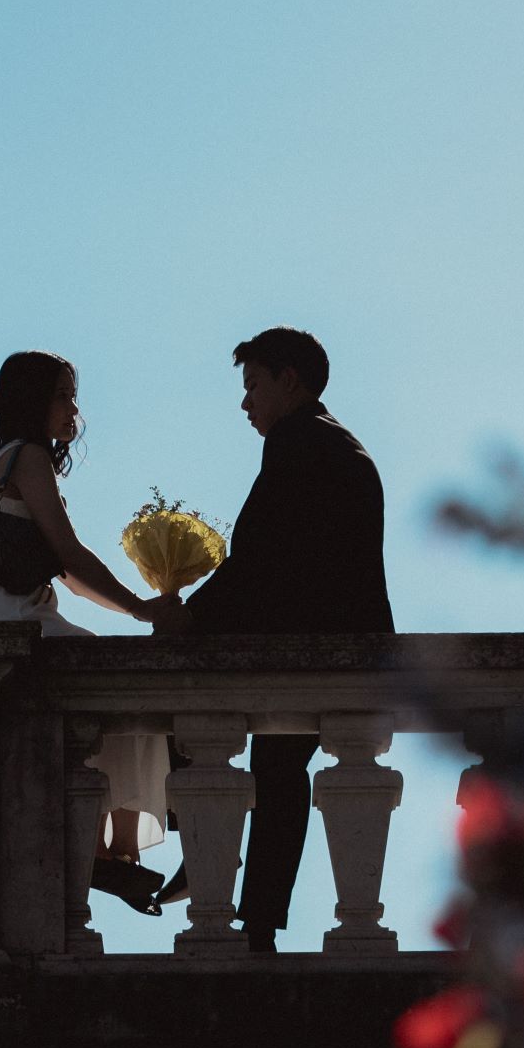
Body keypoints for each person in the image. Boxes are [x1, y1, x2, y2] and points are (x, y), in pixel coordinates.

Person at [156, 328, 394, 950]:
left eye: (253, 385)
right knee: (279, 772)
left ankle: (223, 879)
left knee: (226, 743)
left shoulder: (297, 442)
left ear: (290, 380)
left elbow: (259, 558)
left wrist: (190, 619)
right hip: (349, 644)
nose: (246, 404)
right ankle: (258, 918)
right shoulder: (343, 446)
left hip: (307, 646)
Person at [0, 350, 181, 911]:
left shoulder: (6, 463)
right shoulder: (27, 458)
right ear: (33, 401)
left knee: (119, 699)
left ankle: (111, 854)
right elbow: (70, 559)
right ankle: (116, 854)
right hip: (14, 621)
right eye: (63, 394)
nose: (73, 408)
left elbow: (69, 578)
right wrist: (143, 611)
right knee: (134, 692)